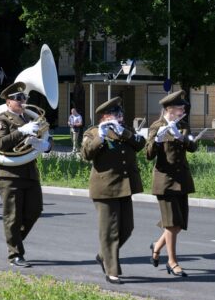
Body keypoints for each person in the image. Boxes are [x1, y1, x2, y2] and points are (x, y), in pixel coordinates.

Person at [81, 97, 145, 284]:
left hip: (125, 185)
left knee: (127, 228)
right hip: (105, 187)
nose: (120, 117)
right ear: (105, 117)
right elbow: (86, 154)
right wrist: (101, 136)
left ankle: (103, 255)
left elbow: (140, 144)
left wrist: (124, 133)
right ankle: (112, 270)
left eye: (121, 114)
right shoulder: (93, 132)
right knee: (109, 231)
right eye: (116, 115)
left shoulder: (125, 131)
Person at [0, 82, 52, 267]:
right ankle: (15, 254)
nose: (22, 101)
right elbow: (1, 144)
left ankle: (14, 240)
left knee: (35, 210)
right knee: (13, 216)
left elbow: (46, 138)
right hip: (9, 174)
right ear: (8, 102)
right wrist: (21, 132)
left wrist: (46, 146)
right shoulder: (2, 120)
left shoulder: (30, 119)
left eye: (24, 97)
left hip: (29, 172)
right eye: (18, 98)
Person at [146, 90, 198, 278]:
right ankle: (172, 261)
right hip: (165, 181)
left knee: (179, 224)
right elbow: (148, 154)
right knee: (171, 224)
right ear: (169, 109)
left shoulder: (183, 126)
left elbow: (193, 147)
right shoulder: (156, 125)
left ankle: (157, 246)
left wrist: (181, 136)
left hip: (182, 180)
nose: (183, 109)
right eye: (179, 107)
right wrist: (157, 140)